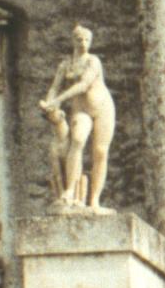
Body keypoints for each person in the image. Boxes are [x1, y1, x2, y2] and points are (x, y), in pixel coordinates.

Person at [42, 26, 117, 211]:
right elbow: (55, 86)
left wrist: (58, 100)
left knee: (100, 152)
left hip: (103, 108)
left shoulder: (93, 61)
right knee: (77, 141)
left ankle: (94, 201)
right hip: (81, 109)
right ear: (73, 41)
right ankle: (69, 190)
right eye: (79, 40)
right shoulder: (65, 64)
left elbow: (83, 85)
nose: (83, 43)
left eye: (86, 40)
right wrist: (50, 101)